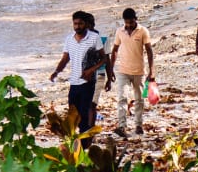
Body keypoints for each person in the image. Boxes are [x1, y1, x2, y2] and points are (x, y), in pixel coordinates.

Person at [49, 10, 107, 140]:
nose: (77, 27)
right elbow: (65, 59)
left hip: (88, 82)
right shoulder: (69, 39)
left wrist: (92, 70)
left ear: (85, 24)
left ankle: (85, 142)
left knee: (85, 113)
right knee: (73, 113)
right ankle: (76, 141)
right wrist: (56, 71)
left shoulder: (94, 38)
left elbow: (104, 59)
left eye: (80, 24)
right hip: (74, 82)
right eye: (75, 24)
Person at [107, 8, 156, 137]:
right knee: (122, 97)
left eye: (131, 22)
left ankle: (138, 125)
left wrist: (152, 71)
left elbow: (149, 51)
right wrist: (111, 69)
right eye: (127, 23)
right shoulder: (120, 31)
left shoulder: (143, 31)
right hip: (123, 71)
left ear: (136, 19)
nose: (129, 25)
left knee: (139, 99)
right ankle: (122, 126)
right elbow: (115, 49)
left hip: (139, 72)